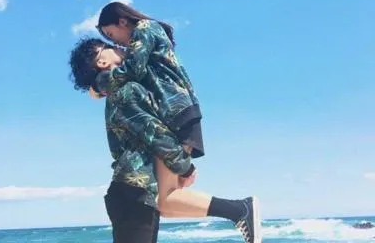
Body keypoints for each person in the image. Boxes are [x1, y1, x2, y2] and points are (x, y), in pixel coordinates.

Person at [70, 36, 262, 243]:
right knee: (166, 205)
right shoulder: (125, 90)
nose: (118, 46)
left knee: (167, 205)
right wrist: (184, 166)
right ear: (102, 61)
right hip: (134, 191)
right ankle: (239, 209)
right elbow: (156, 133)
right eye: (110, 46)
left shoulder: (118, 90)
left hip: (132, 190)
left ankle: (239, 210)